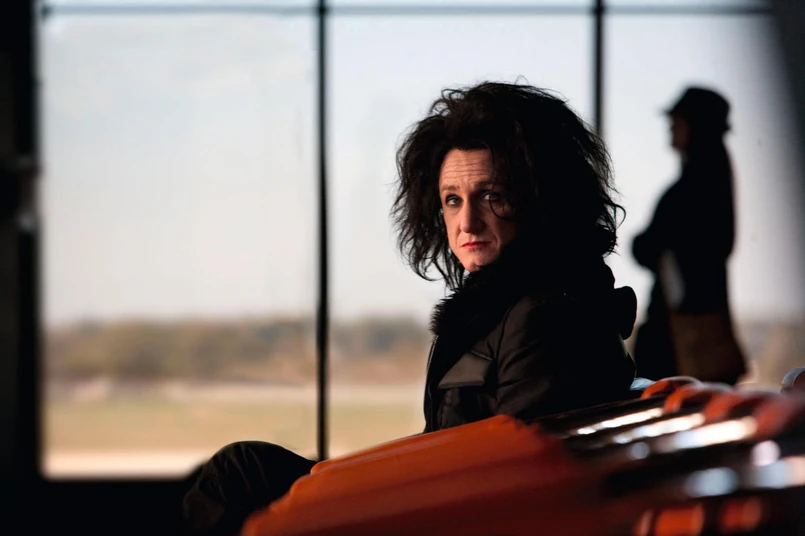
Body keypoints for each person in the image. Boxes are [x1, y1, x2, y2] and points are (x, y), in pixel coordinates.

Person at [179, 81, 638, 535]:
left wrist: (338, 491)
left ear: (540, 199)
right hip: (434, 493)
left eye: (492, 196)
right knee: (242, 471)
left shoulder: (547, 315)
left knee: (238, 475)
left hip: (446, 513)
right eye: (452, 200)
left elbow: (520, 485)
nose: (466, 222)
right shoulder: (505, 306)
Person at [631, 86, 746, 383]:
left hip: (677, 336)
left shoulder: (687, 193)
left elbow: (647, 247)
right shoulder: (711, 187)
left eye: (677, 121)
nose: (671, 127)